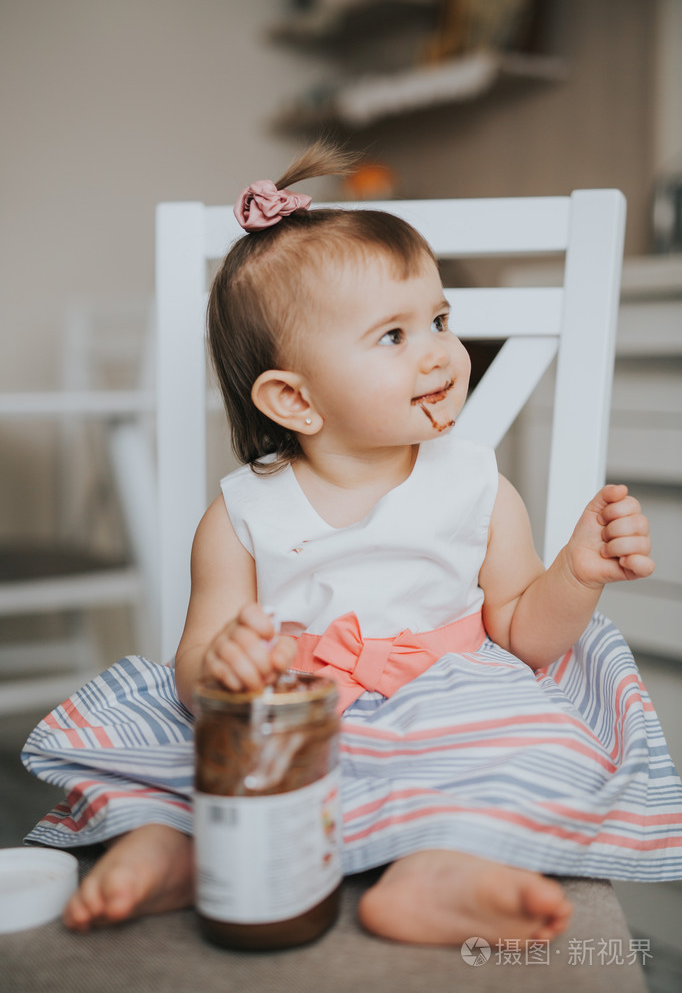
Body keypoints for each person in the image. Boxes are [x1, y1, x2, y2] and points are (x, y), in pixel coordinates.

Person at [22, 142, 682, 945]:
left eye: (440, 318)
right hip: (291, 713)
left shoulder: (477, 484)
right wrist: (227, 661)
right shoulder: (240, 515)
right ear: (295, 398)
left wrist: (577, 573)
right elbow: (194, 671)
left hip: (446, 703)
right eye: (394, 336)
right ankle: (179, 849)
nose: (439, 350)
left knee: (526, 742)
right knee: (184, 749)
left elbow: (526, 635)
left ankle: (433, 871)